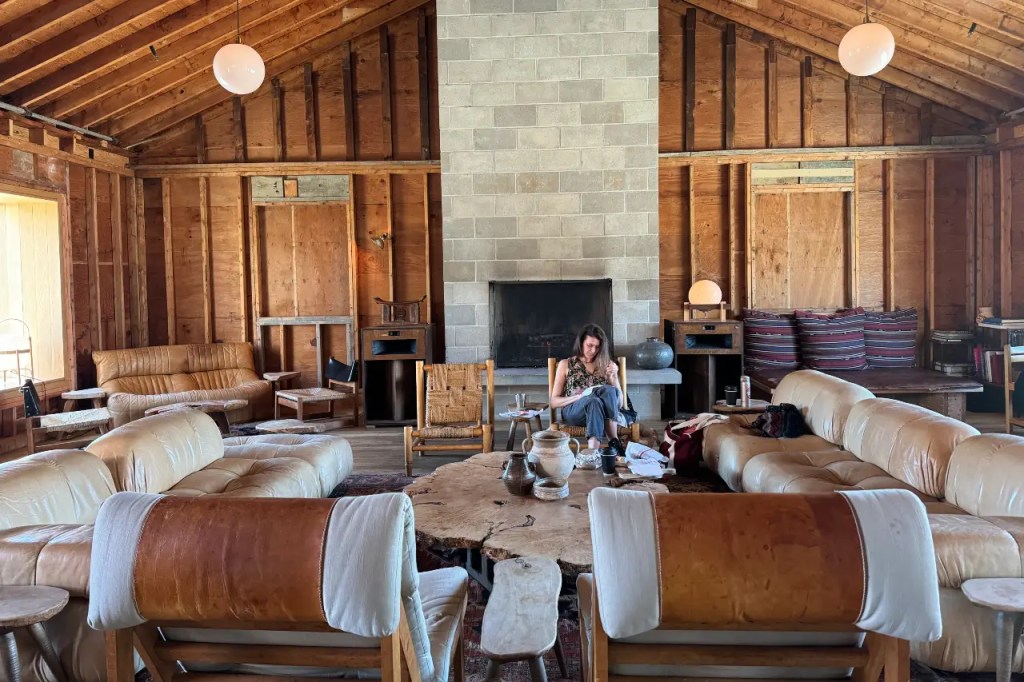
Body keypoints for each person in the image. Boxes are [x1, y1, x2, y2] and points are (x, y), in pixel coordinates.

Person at [550, 323, 624, 456]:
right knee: (592, 400)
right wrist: (578, 397)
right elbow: (554, 402)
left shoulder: (606, 364)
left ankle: (595, 451)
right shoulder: (566, 364)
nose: (593, 350)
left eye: (597, 347)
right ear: (581, 343)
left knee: (605, 394)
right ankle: (610, 443)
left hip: (600, 413)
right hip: (574, 411)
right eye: (589, 345)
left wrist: (614, 378)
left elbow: (619, 404)